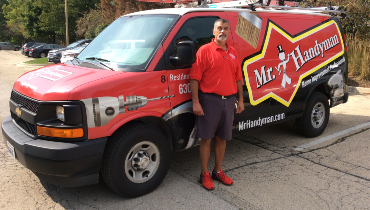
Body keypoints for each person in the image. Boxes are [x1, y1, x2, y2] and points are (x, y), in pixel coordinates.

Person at [189, 18, 244, 191]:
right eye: (219, 28)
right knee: (206, 139)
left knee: (222, 139)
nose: (222, 31)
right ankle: (204, 174)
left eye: (226, 28)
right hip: (209, 101)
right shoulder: (204, 51)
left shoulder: (233, 52)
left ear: (229, 31)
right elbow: (194, 78)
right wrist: (196, 101)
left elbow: (238, 79)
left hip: (229, 102)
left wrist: (240, 100)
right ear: (213, 31)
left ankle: (217, 171)